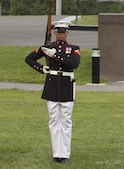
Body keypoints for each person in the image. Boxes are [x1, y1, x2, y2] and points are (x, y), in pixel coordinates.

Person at [25, 20, 81, 163]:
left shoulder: (73, 48)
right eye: (58, 32)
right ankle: (57, 153)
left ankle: (65, 153)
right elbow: (29, 59)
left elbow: (73, 64)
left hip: (67, 84)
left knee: (66, 120)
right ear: (55, 33)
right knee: (54, 119)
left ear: (67, 33)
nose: (61, 35)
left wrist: (54, 55)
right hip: (52, 83)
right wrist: (41, 68)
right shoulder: (47, 47)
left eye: (63, 32)